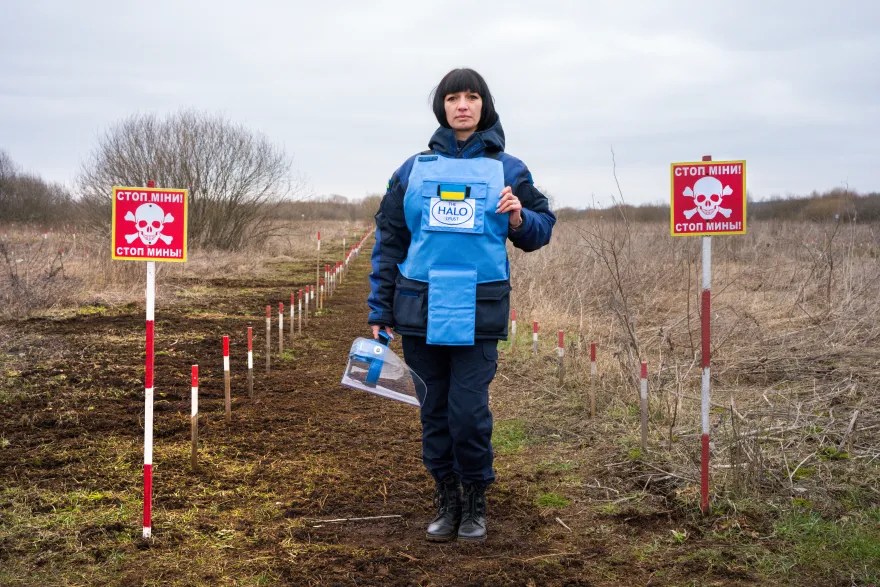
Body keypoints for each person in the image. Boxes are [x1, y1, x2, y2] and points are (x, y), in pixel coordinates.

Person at [367, 68, 555, 543]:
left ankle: (475, 498)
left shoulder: (511, 169)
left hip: (479, 308)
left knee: (468, 412)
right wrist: (379, 310)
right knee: (433, 411)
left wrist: (518, 216)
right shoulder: (411, 170)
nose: (463, 105)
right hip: (419, 308)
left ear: (484, 105)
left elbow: (541, 228)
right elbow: (390, 240)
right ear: (443, 107)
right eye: (454, 98)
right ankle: (446, 498)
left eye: (472, 97)